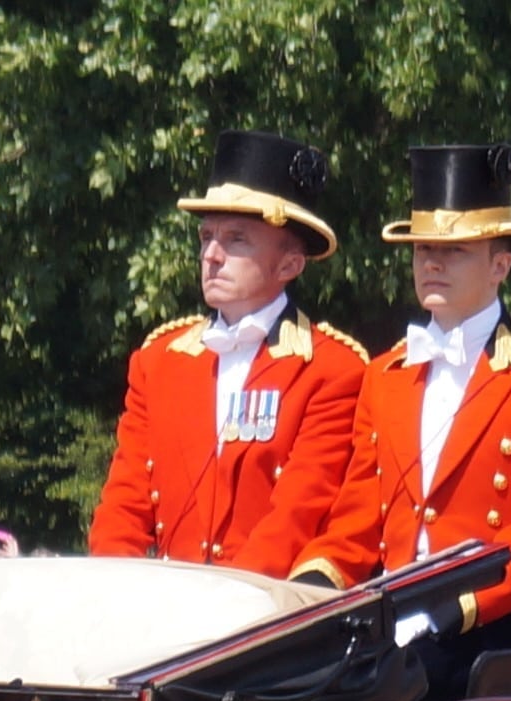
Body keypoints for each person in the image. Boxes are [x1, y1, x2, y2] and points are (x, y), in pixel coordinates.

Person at [289, 143, 511, 700]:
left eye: (454, 251)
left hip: (494, 624)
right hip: (393, 621)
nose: (431, 263)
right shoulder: (385, 375)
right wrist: (314, 585)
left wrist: (449, 606)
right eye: (422, 249)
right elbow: (360, 515)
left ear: (500, 265)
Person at [88, 130, 368, 578]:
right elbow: (124, 501)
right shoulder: (159, 361)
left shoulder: (332, 370)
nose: (212, 255)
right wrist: (113, 589)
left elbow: (296, 514)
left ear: (289, 265)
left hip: (269, 619)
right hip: (162, 616)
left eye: (237, 240)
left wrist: (230, 612)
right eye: (206, 237)